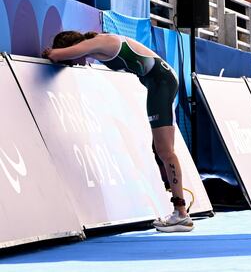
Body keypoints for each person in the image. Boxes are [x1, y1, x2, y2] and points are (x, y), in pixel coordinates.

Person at [42, 31, 193, 233]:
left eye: (73, 61)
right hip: (158, 82)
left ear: (75, 46)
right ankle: (180, 212)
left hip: (161, 83)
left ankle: (181, 214)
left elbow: (57, 55)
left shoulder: (97, 43)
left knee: (165, 151)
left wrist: (51, 52)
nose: (75, 64)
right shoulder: (98, 44)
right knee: (163, 151)